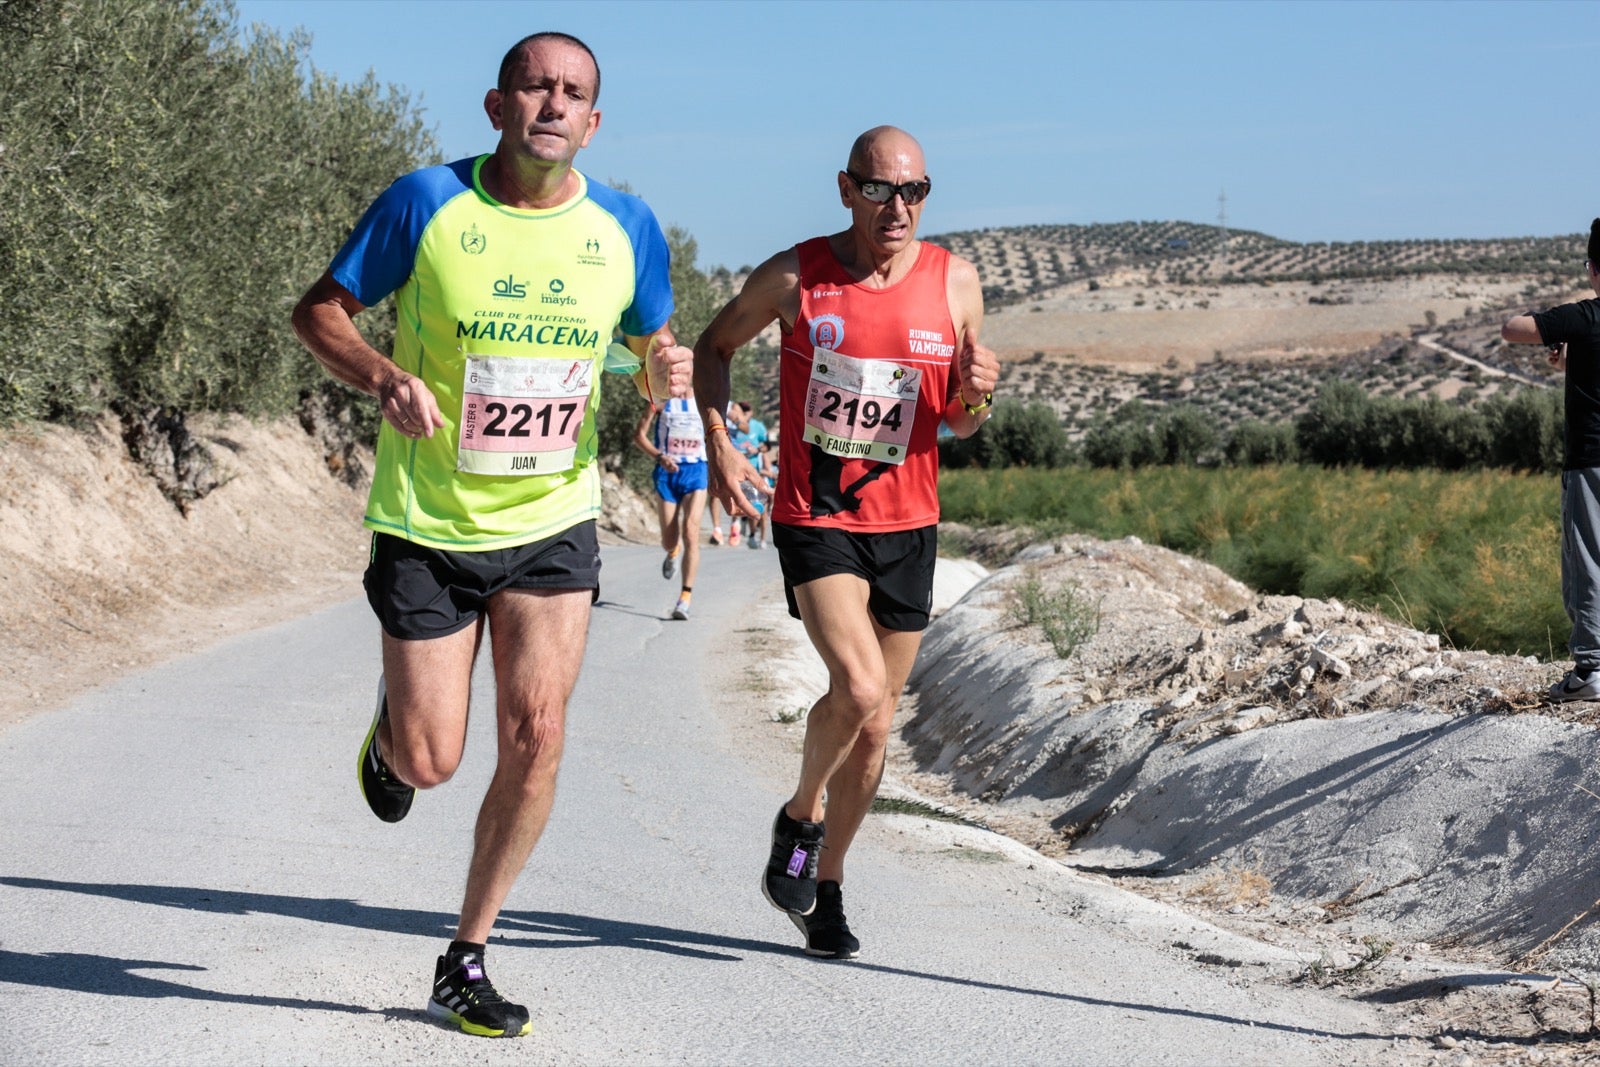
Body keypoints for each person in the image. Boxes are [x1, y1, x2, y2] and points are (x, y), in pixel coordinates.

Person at [289, 32, 690, 1037]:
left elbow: (648, 340)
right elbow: (320, 312)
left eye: (574, 93)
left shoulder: (627, 226)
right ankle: (395, 732)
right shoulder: (428, 203)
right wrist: (382, 376)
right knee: (432, 761)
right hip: (427, 522)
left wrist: (663, 380)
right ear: (496, 104)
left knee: (539, 731)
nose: (553, 103)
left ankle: (465, 953)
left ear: (593, 122)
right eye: (535, 86)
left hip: (553, 521)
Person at [693, 126, 998, 959]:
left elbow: (959, 422)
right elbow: (712, 348)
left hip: (910, 522)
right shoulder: (797, 275)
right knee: (858, 686)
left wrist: (979, 399)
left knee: (875, 727)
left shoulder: (956, 283)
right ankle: (799, 814)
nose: (897, 208)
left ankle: (823, 884)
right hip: (817, 515)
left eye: (914, 192)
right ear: (845, 188)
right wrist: (719, 441)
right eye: (879, 190)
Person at [1503, 219, 1600, 704]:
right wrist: (1570, 362)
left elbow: (1512, 329)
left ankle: (1591, 671)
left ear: (1593, 269)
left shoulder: (1585, 317)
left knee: (1587, 562)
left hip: (1592, 459)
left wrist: (1551, 327)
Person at [633, 393, 708, 619]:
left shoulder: (704, 401)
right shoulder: (659, 402)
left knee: (691, 532)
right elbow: (639, 436)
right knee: (669, 539)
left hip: (696, 471)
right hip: (667, 473)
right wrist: (659, 457)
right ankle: (673, 551)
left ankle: (684, 598)